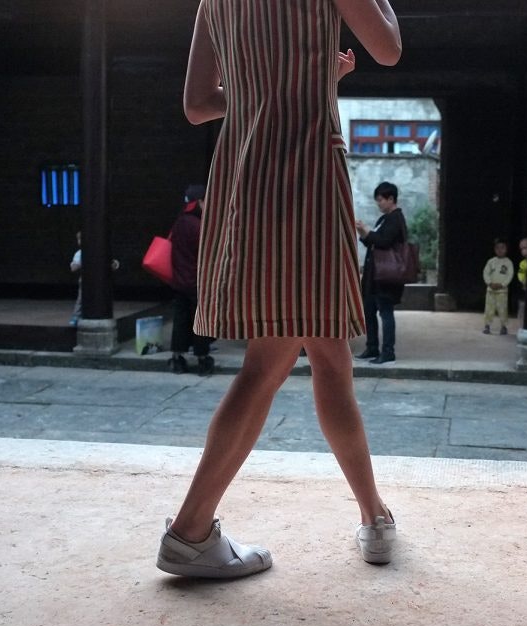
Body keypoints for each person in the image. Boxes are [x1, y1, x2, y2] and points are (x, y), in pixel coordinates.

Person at [157, 0, 402, 579]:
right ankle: (189, 531)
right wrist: (311, 85)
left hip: (246, 176)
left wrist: (278, 89)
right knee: (269, 363)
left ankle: (375, 514)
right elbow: (388, 46)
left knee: (329, 353)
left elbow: (198, 106)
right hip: (307, 175)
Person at [354, 181, 406, 366]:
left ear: (391, 199)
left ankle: (388, 351)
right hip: (374, 276)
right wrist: (364, 233)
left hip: (386, 277)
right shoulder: (384, 219)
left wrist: (367, 232)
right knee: (369, 311)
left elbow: (384, 242)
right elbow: (373, 243)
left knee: (385, 313)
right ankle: (372, 347)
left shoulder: (395, 219)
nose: (379, 204)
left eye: (381, 200)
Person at [168, 184, 214, 376]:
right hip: (197, 283)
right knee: (200, 321)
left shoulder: (179, 224)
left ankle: (177, 358)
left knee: (180, 319)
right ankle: (202, 359)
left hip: (179, 281)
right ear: (199, 203)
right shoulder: (199, 226)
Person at [69, 231, 119, 326]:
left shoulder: (100, 251)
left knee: (100, 297)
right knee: (81, 298)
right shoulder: (80, 253)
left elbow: (112, 263)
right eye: (79, 239)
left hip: (99, 280)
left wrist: (114, 264)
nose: (80, 242)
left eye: (82, 239)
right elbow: (73, 267)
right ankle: (76, 316)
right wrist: (77, 264)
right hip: (85, 280)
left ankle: (100, 314)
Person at [482, 238, 514, 335]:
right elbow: (485, 273)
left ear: (506, 249)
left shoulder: (508, 263)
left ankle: (503, 327)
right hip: (490, 290)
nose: (500, 250)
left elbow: (510, 275)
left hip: (502, 291)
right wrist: (490, 283)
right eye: (497, 248)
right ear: (494, 249)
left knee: (503, 310)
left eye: (502, 248)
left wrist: (502, 285)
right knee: (489, 309)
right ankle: (487, 326)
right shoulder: (491, 262)